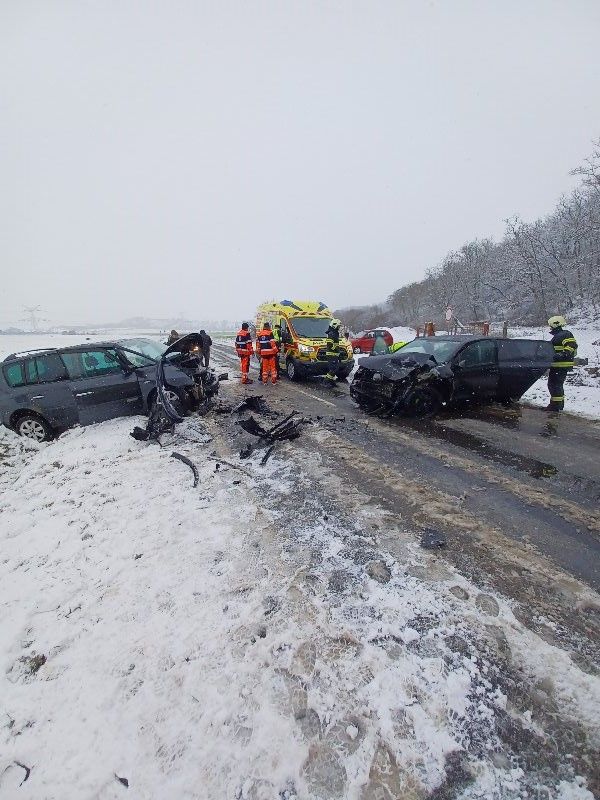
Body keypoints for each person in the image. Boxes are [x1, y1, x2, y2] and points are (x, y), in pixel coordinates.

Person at [546, 315, 578, 412]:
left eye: (551, 326)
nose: (550, 328)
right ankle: (555, 405)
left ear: (556, 324)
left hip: (561, 365)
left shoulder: (565, 334)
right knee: (553, 384)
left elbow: (572, 345)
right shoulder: (558, 336)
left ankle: (556, 407)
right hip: (557, 365)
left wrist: (563, 354)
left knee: (555, 385)